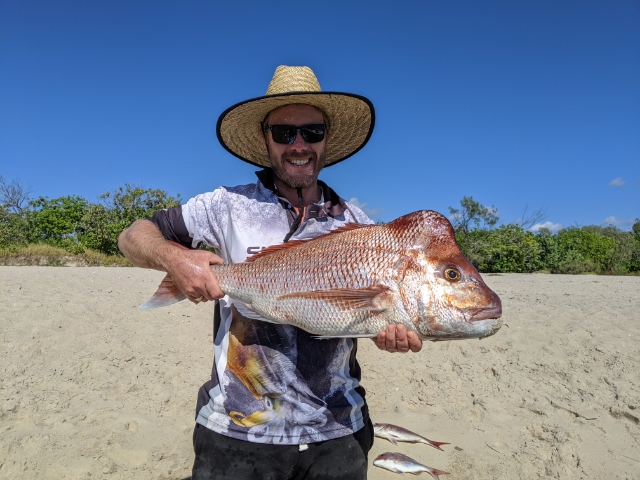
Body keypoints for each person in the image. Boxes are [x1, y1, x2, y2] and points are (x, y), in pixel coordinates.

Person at [118, 65, 423, 480]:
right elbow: (135, 234)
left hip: (336, 431)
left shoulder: (360, 225)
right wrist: (174, 258)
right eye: (284, 134)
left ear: (327, 140)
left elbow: (367, 314)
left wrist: (392, 328)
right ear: (265, 139)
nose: (299, 145)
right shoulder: (225, 205)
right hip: (237, 429)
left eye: (312, 132)